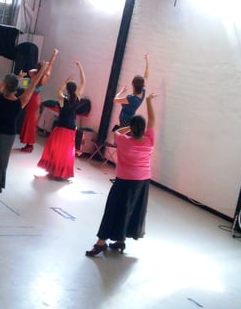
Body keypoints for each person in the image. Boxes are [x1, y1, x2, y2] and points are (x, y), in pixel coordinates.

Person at [86, 93, 157, 256]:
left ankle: (101, 243)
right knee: (130, 209)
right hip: (142, 182)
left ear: (132, 128)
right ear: (144, 129)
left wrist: (129, 127)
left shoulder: (124, 141)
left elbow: (117, 132)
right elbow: (152, 120)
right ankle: (120, 240)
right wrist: (148, 101)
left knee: (113, 210)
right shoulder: (149, 141)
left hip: (124, 181)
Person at [0, 65, 47, 213]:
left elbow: (0, 86)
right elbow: (32, 86)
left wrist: (16, 78)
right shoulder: (20, 102)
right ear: (16, 87)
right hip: (8, 137)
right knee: (0, 165)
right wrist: (36, 74)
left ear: (5, 85)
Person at [37, 61, 86, 181]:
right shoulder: (77, 98)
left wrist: (66, 80)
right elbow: (83, 82)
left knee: (55, 148)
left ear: (67, 90)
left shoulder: (62, 99)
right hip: (71, 128)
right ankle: (62, 171)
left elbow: (59, 89)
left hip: (61, 127)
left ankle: (53, 170)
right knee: (66, 151)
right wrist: (80, 66)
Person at [19, 48, 58, 153]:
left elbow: (31, 71)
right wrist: (54, 54)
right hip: (34, 98)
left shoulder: (37, 77)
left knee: (30, 121)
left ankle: (30, 144)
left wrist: (42, 67)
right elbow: (50, 65)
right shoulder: (43, 75)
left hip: (32, 98)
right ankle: (28, 143)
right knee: (29, 120)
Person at [114, 54, 149, 129]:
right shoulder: (142, 93)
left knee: (120, 135)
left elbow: (115, 100)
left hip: (125, 121)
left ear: (133, 85)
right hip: (130, 121)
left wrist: (121, 91)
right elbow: (146, 76)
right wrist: (147, 62)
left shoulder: (130, 99)